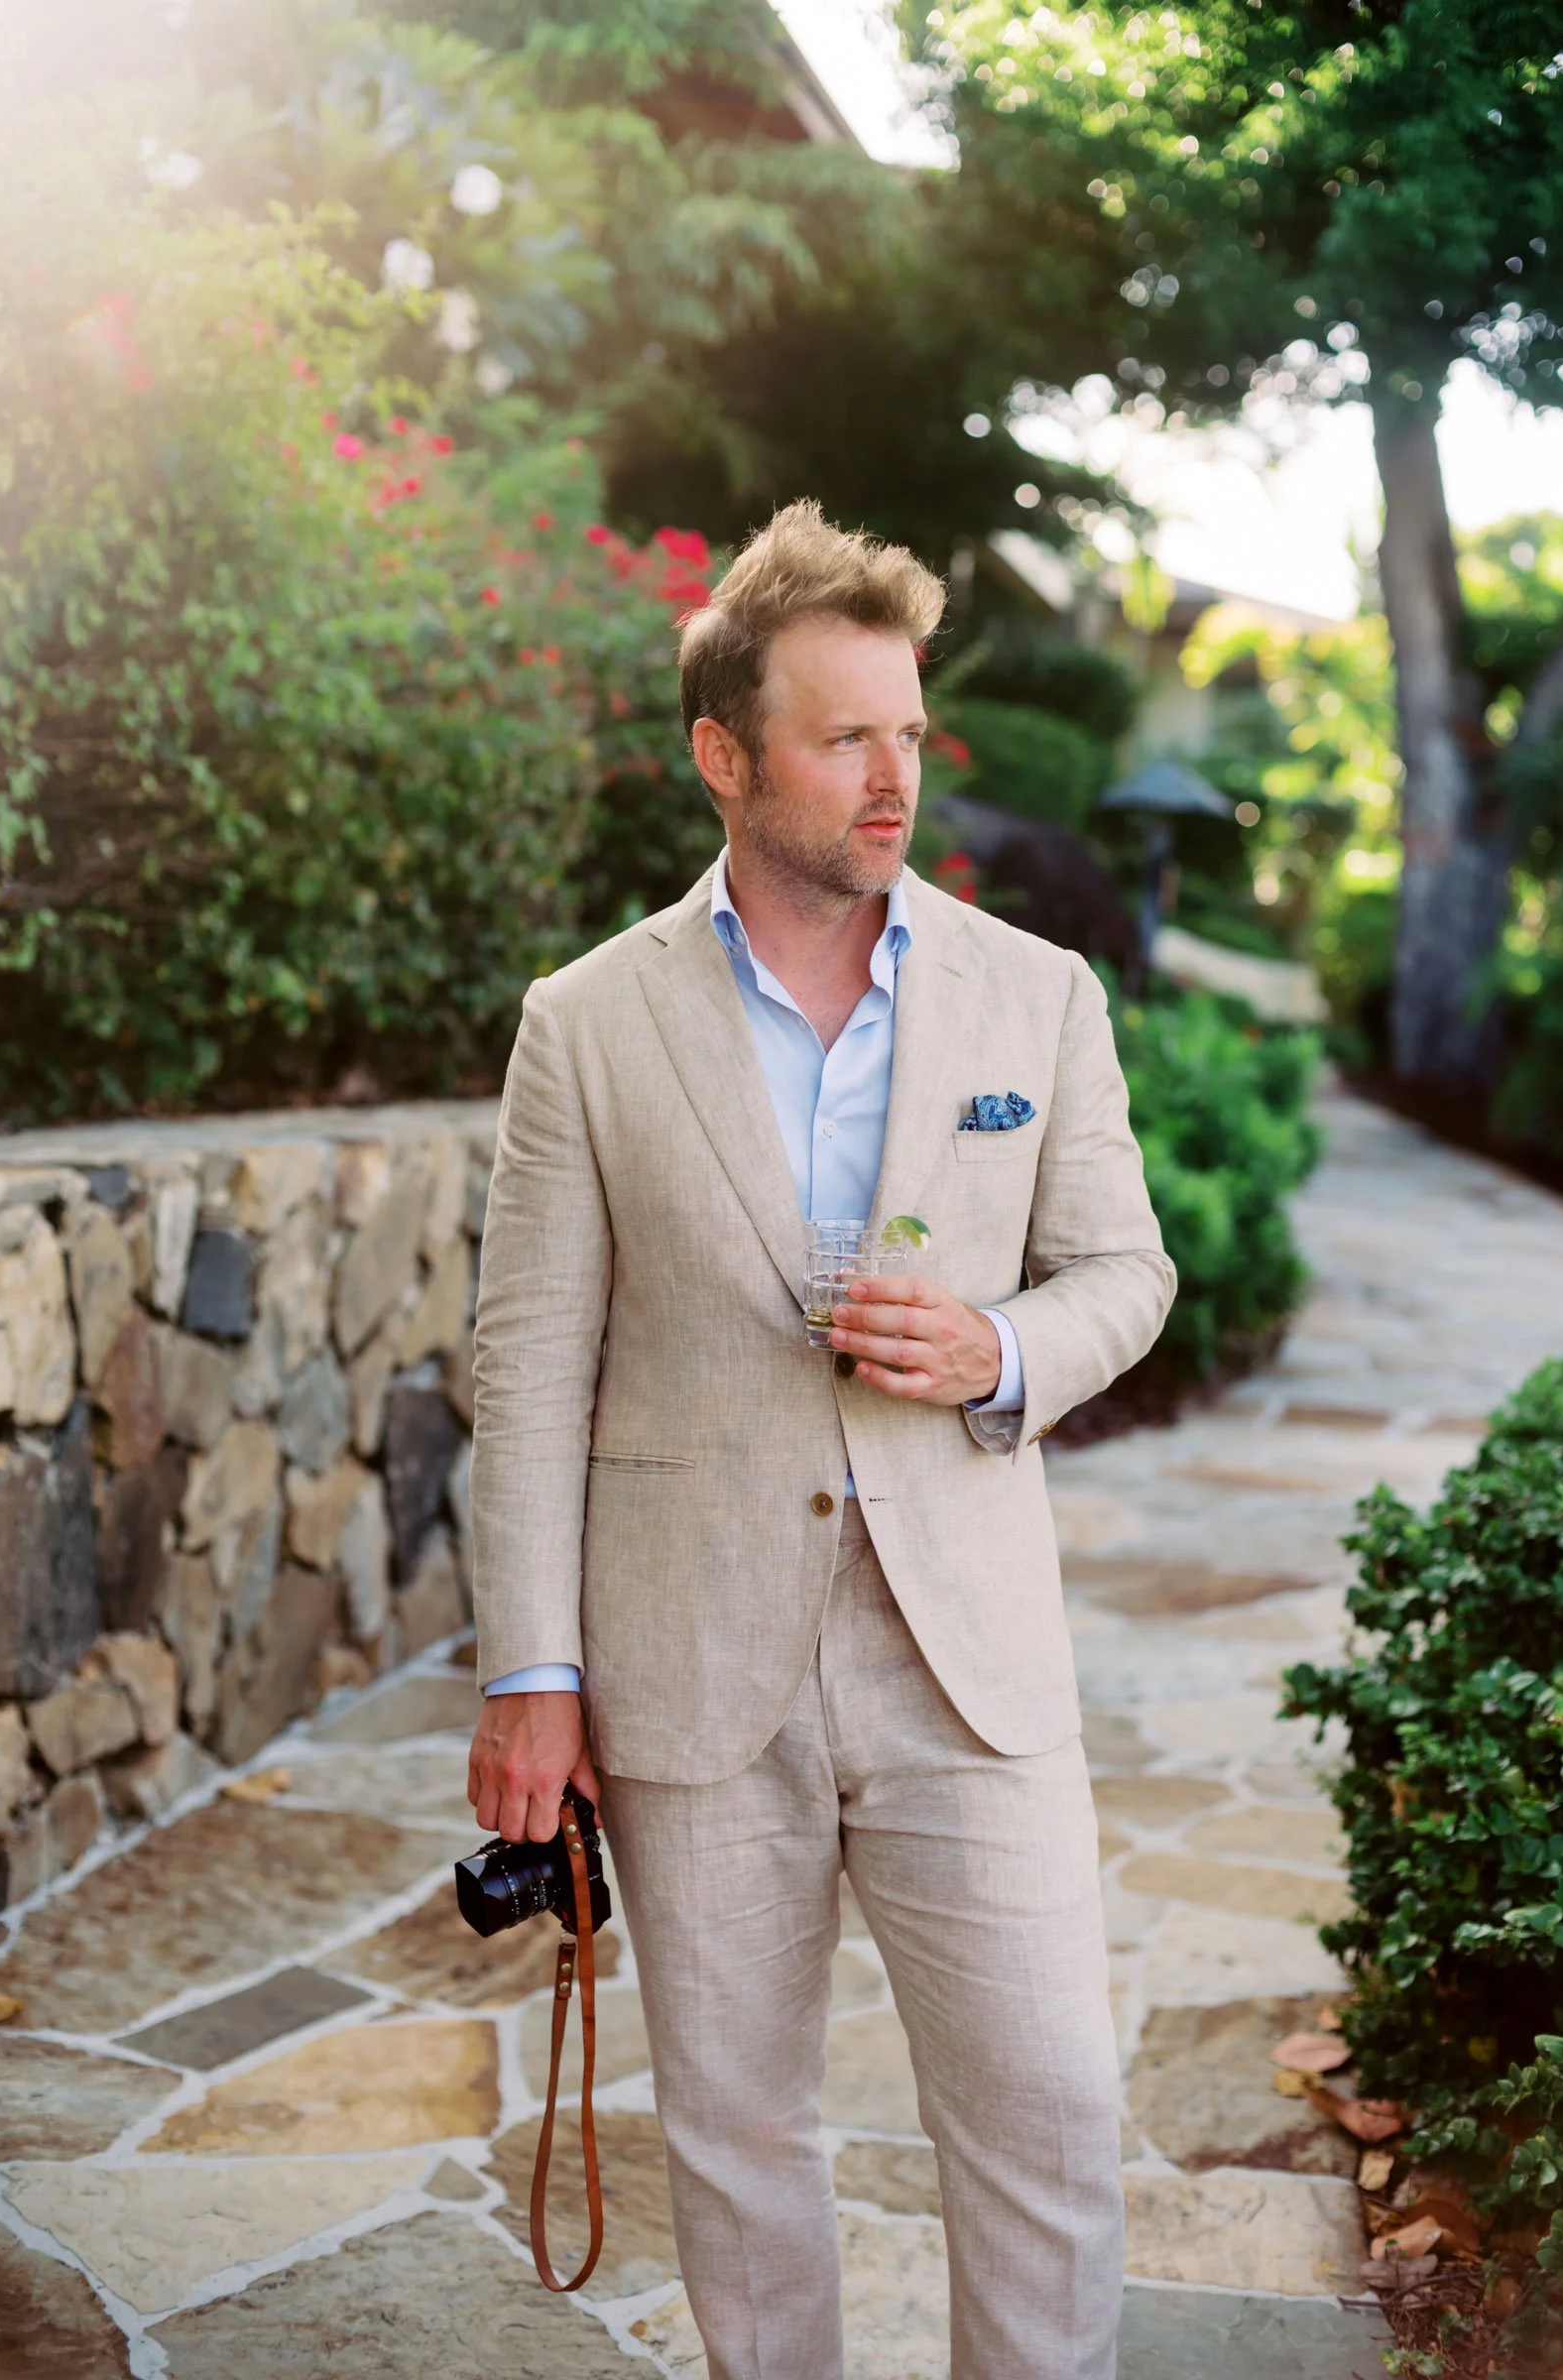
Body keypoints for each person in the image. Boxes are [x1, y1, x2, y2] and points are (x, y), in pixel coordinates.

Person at [466, 499, 1175, 2380]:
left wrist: (998, 1346)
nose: (894, 779)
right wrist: (534, 1677)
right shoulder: (590, 1025)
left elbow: (1128, 1272)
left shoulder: (1039, 992)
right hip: (694, 1661)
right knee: (741, 2144)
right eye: (845, 735)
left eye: (912, 733)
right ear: (725, 755)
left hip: (969, 1661)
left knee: (1046, 2121)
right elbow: (528, 1366)